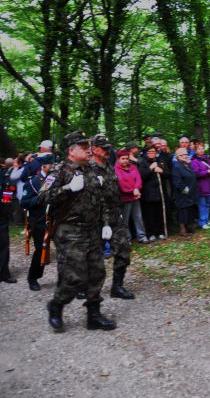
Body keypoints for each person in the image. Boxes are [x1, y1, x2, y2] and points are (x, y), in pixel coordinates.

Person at [41, 131, 116, 332]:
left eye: (88, 147)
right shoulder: (59, 171)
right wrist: (68, 189)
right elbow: (42, 198)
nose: (88, 150)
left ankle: (94, 315)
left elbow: (101, 201)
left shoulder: (91, 170)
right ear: (72, 151)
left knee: (97, 273)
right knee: (75, 278)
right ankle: (56, 305)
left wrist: (106, 223)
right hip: (70, 231)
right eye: (84, 148)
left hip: (91, 230)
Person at [91, 135, 136, 299]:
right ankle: (89, 288)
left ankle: (117, 286)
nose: (107, 151)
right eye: (104, 148)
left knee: (123, 250)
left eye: (109, 148)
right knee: (94, 256)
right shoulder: (87, 168)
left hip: (115, 215)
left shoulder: (109, 166)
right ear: (94, 149)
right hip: (96, 219)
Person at [19, 155, 54, 290]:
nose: (53, 166)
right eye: (50, 164)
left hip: (53, 220)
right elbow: (24, 202)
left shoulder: (54, 179)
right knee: (40, 250)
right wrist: (38, 200)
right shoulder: (33, 182)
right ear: (43, 166)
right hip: (38, 221)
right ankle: (32, 278)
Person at [115, 149, 149, 244]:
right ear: (118, 159)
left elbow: (138, 179)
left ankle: (141, 236)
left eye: (126, 158)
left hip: (135, 196)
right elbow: (121, 183)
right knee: (125, 220)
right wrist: (132, 190)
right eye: (123, 159)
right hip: (125, 198)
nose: (125, 160)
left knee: (138, 217)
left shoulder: (133, 167)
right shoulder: (116, 169)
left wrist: (137, 188)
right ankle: (127, 238)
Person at [139, 146, 170, 240]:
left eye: (153, 151)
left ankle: (160, 232)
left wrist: (162, 171)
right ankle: (150, 233)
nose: (152, 153)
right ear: (146, 153)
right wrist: (151, 169)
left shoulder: (159, 161)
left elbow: (168, 174)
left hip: (160, 193)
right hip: (148, 193)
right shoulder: (142, 162)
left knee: (159, 213)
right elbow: (142, 176)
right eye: (150, 151)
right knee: (149, 214)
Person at [172, 147, 198, 236]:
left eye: (186, 154)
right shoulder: (177, 166)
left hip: (191, 193)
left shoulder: (187, 165)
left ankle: (189, 227)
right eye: (181, 155)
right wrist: (185, 190)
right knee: (183, 211)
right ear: (177, 157)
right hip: (183, 194)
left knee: (189, 210)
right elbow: (177, 181)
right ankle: (182, 230)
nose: (184, 156)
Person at [190, 143, 210, 229]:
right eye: (199, 149)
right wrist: (207, 172)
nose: (201, 150)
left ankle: (207, 220)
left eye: (202, 148)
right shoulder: (194, 161)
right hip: (201, 186)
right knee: (202, 205)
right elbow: (196, 173)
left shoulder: (207, 159)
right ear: (196, 150)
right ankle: (202, 222)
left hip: (209, 185)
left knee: (208, 204)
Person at [0, 162, 17, 283]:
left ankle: (4, 273)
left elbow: (7, 195)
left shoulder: (4, 175)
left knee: (4, 244)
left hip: (1, 216)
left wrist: (6, 212)